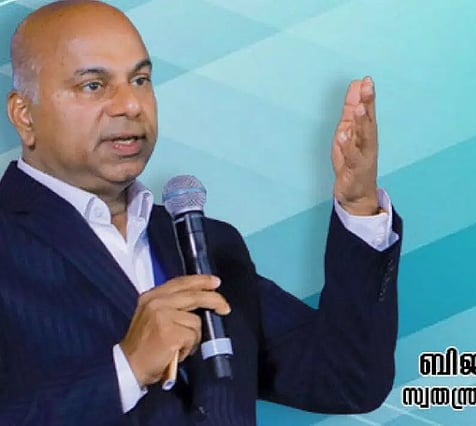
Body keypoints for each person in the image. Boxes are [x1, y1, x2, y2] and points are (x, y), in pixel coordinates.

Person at [0, 1, 402, 425]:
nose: (130, 105)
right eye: (94, 85)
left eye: (140, 80)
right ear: (24, 116)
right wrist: (126, 370)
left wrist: (359, 206)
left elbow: (347, 381)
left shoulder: (206, 244)